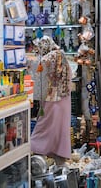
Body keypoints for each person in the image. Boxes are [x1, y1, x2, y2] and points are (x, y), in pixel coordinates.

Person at [30, 36, 73, 165]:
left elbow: (38, 70)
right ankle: (58, 155)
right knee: (60, 128)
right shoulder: (62, 55)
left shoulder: (50, 57)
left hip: (52, 99)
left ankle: (34, 148)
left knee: (44, 126)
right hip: (64, 99)